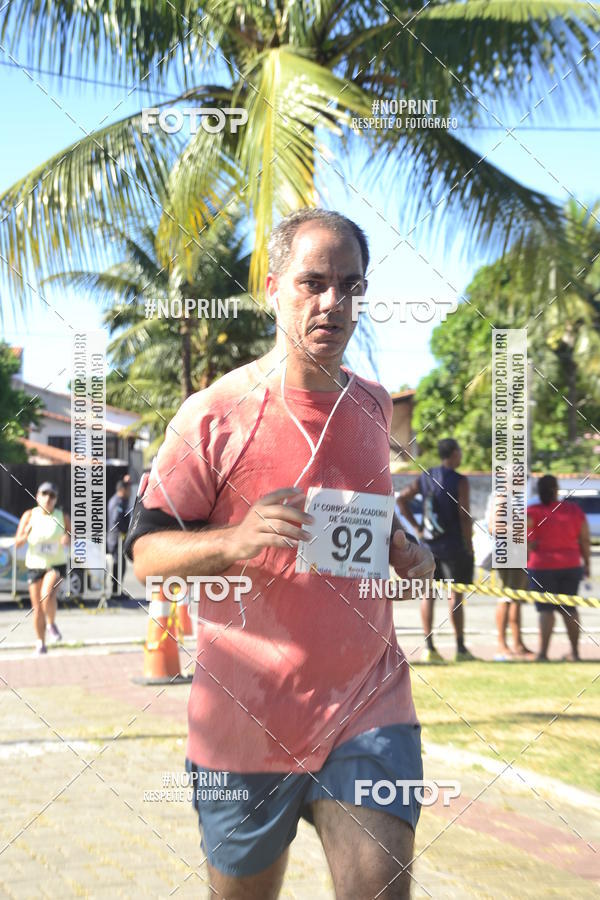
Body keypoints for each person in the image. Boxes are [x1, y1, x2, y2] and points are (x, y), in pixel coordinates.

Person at [126, 208, 435, 899]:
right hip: (246, 720)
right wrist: (235, 540)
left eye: (351, 286)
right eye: (313, 282)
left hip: (368, 705)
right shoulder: (215, 412)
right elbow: (144, 553)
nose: (334, 302)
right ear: (272, 287)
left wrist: (407, 551)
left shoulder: (374, 407)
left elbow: (369, 523)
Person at [399, 439, 475, 663]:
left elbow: (402, 499)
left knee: (428, 595)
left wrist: (417, 528)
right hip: (454, 546)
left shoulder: (426, 477)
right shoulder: (460, 481)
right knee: (455, 595)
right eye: (459, 451)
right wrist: (469, 545)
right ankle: (460, 648)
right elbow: (464, 515)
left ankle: (429, 647)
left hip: (429, 546)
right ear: (454, 454)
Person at [527, 475, 590, 662]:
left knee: (545, 610)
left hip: (541, 566)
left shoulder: (532, 512)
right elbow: (585, 539)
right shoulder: (574, 510)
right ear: (556, 489)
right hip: (570, 564)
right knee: (569, 609)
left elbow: (521, 540)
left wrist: (532, 545)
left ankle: (543, 653)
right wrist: (587, 563)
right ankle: (575, 653)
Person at [14, 482, 71, 655]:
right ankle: (40, 643)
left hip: (55, 564)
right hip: (35, 565)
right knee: (37, 608)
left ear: (56, 499)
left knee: (47, 594)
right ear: (38, 497)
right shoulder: (29, 515)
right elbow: (17, 543)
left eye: (52, 495)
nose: (48, 498)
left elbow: (71, 535)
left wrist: (67, 539)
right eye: (44, 494)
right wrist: (26, 533)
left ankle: (51, 624)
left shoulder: (61, 516)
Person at [485, 491, 535, 660]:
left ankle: (517, 643)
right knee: (505, 599)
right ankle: (501, 644)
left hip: (516, 553)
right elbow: (494, 527)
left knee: (516, 600)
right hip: (508, 554)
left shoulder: (514, 497)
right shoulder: (502, 497)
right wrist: (520, 530)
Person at [107, 479, 132, 596]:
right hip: (116, 538)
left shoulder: (120, 501)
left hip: (117, 538)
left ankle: (117, 590)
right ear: (122, 490)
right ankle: (115, 592)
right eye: (128, 489)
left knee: (120, 565)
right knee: (119, 565)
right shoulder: (117, 502)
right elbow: (116, 520)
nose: (130, 492)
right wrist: (126, 531)